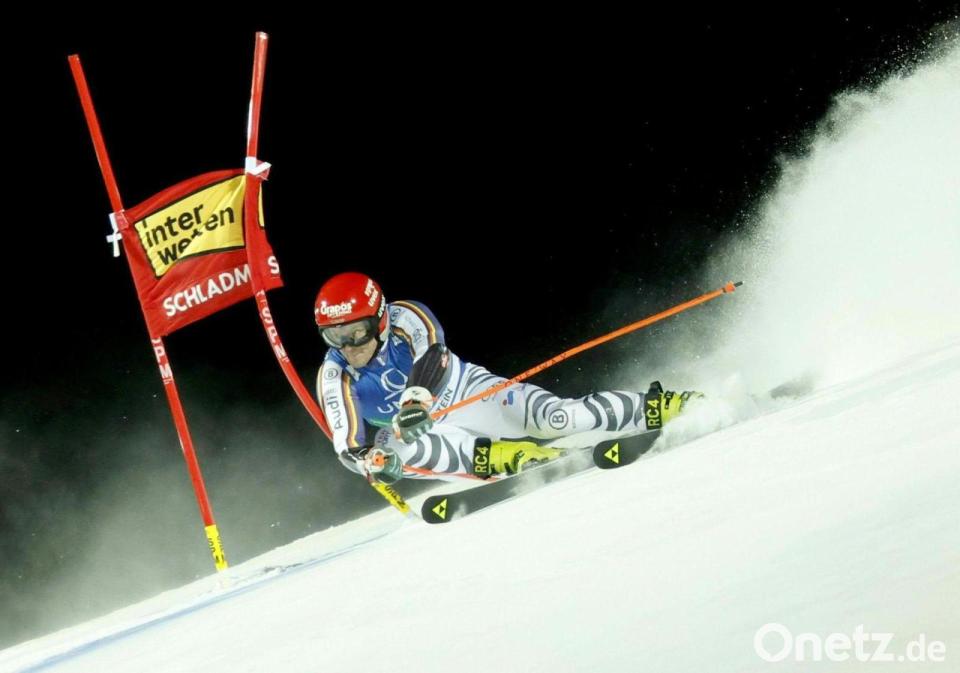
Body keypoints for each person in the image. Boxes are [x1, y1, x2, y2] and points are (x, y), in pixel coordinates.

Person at [315, 271, 702, 484]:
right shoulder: (335, 373)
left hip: (465, 391)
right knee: (395, 445)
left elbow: (433, 352)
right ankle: (501, 456)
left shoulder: (405, 316)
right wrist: (372, 462)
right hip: (420, 434)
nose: (349, 346)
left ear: (380, 319)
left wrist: (415, 401)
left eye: (357, 333)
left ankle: (659, 406)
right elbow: (347, 444)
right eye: (335, 337)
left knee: (557, 418)